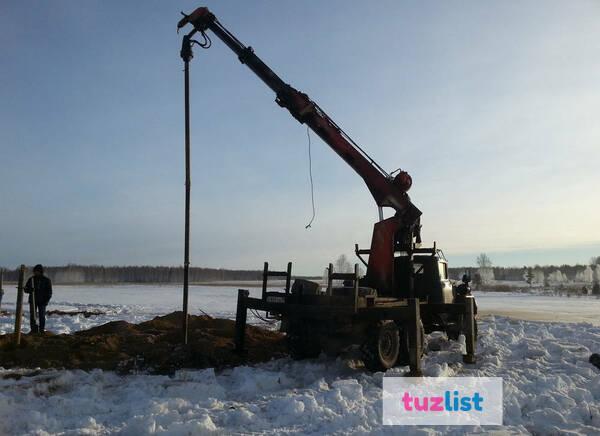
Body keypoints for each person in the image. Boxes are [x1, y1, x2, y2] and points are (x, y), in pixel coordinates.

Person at [24, 264, 52, 333]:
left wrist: (46, 301)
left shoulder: (46, 280)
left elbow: (49, 292)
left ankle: (41, 330)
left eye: (37, 271)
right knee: (33, 316)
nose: (36, 272)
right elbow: (26, 289)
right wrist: (30, 290)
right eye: (35, 271)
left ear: (41, 271)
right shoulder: (31, 279)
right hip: (33, 301)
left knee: (42, 316)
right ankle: (33, 329)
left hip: (42, 301)